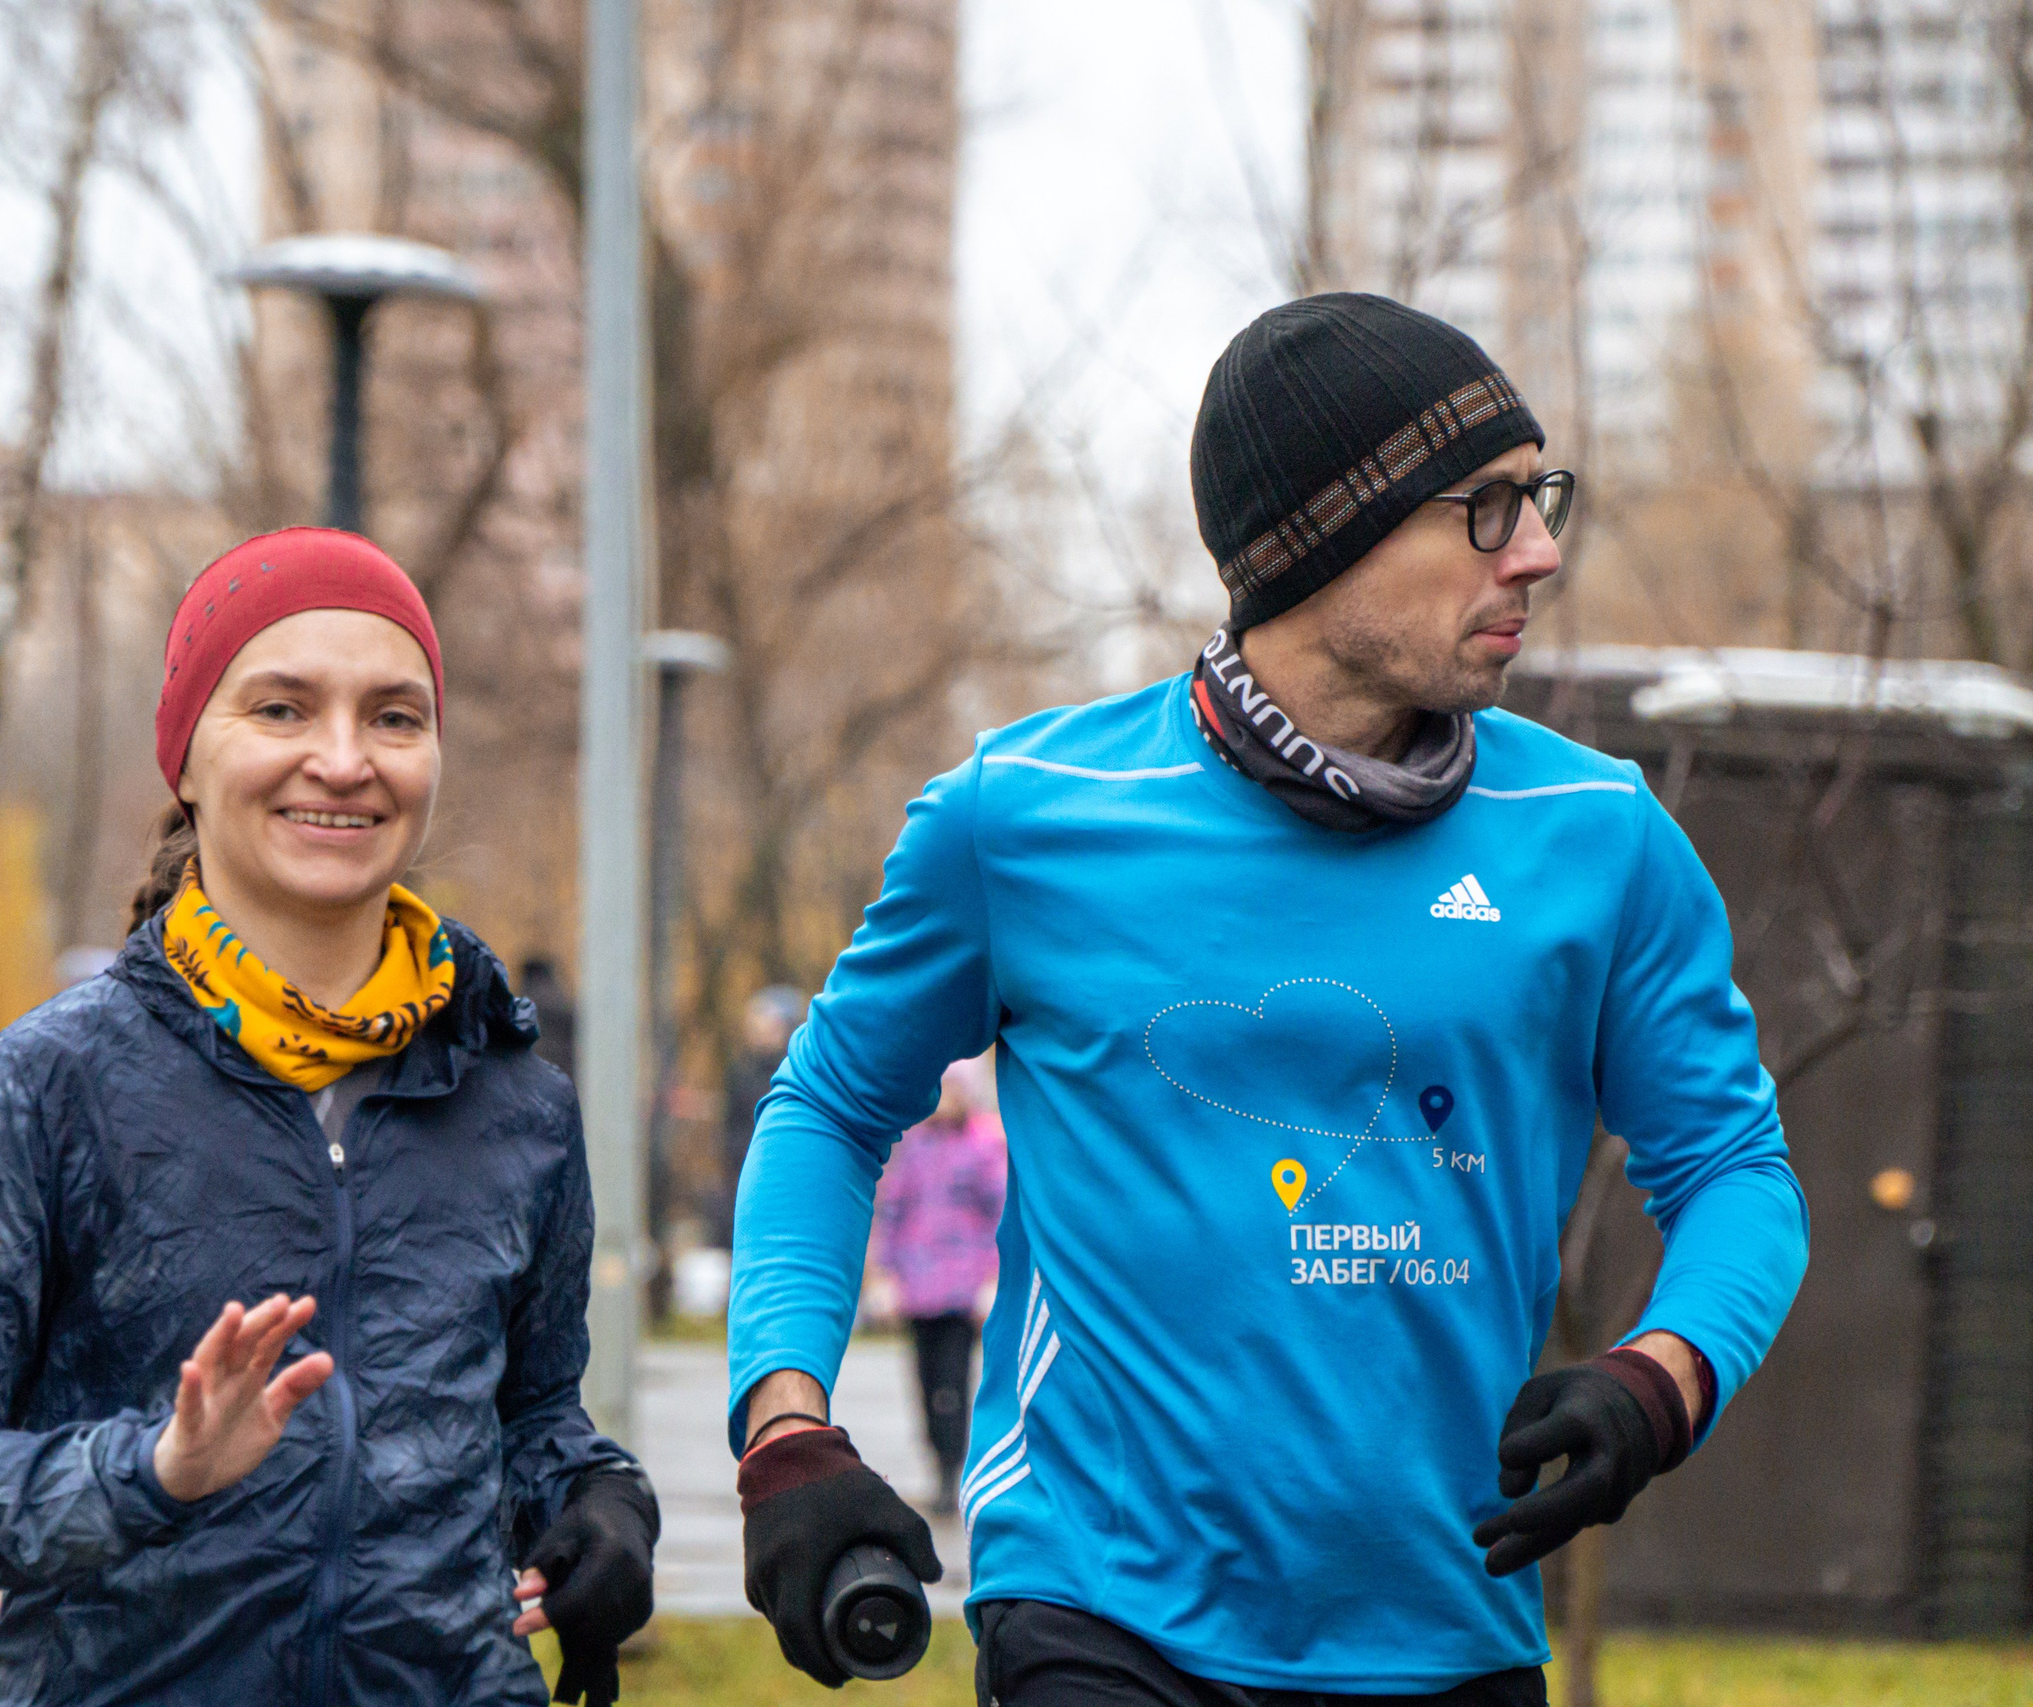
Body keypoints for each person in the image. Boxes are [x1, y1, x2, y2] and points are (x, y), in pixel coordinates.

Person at [726, 295, 1811, 1702]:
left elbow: (1737, 1167)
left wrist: (1665, 1372)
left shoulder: (1599, 835)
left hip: (1452, 1617)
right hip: (1100, 1608)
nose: (1538, 550)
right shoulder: (1028, 814)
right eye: (1486, 508)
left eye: (1540, 499)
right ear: (1324, 534)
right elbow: (828, 1104)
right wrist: (785, 1424)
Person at [0, 528, 660, 1707]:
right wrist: (150, 1470)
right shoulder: (50, 1087)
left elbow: (527, 1414)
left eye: (394, 718)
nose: (344, 759)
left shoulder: (514, 1101)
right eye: (281, 709)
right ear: (188, 761)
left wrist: (596, 1503)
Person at [870, 1057, 1006, 1511]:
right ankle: (935, 1455)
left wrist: (993, 1277)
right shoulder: (914, 1146)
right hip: (917, 1287)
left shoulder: (986, 1146)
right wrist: (885, 1274)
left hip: (962, 1288)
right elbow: (893, 1212)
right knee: (924, 1381)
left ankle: (953, 1466)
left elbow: (1000, 1214)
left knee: (953, 1380)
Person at [710, 984, 801, 1247]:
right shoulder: (740, 1072)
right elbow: (730, 1129)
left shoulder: (795, 1073)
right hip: (745, 1174)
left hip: (786, 1180)